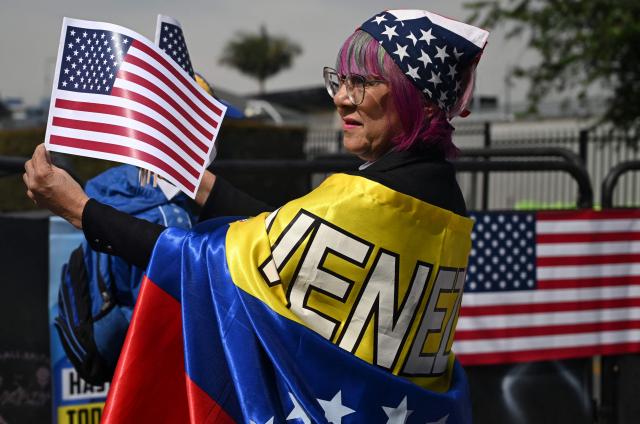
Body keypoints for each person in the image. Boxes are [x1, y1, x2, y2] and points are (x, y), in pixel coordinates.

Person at [25, 10, 488, 423]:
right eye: (340, 80)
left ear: (421, 102)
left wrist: (79, 209)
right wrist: (196, 181)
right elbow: (285, 238)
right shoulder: (443, 200)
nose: (342, 98)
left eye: (362, 83)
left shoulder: (366, 202)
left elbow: (200, 259)